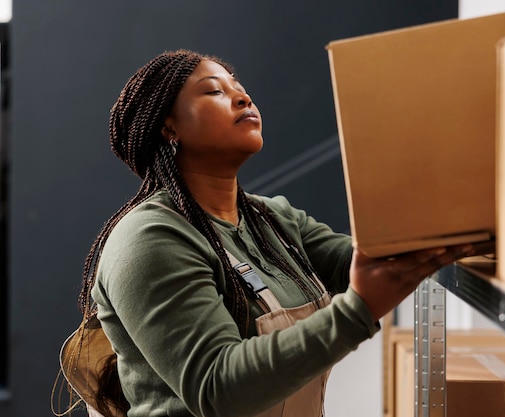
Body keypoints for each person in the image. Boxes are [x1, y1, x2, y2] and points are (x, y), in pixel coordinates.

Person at [77, 49, 474, 417]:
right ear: (169, 128)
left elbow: (371, 256)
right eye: (214, 91)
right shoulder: (150, 239)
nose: (242, 98)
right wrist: (357, 312)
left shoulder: (272, 220)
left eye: (241, 88)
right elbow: (218, 389)